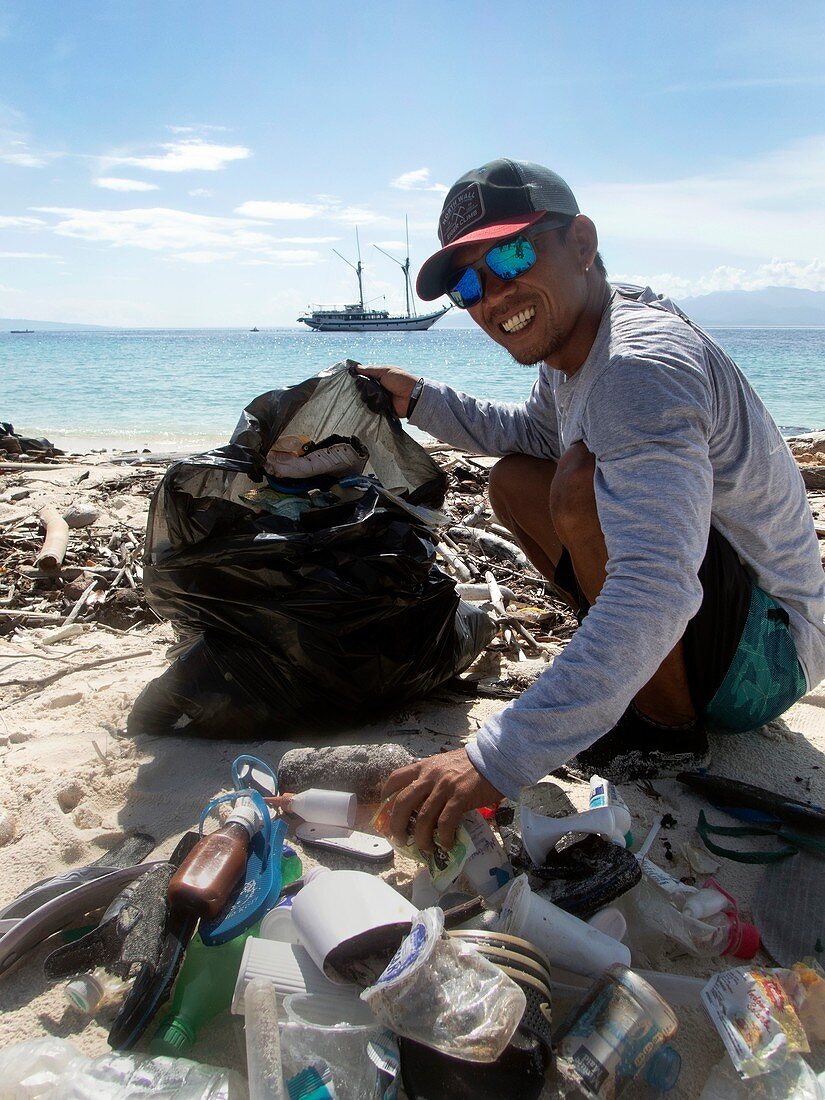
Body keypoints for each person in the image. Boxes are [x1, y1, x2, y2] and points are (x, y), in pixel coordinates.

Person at [357, 158, 825, 854]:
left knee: (576, 488)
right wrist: (418, 399)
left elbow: (656, 585)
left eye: (512, 253)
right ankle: (640, 686)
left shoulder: (637, 367)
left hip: (773, 653)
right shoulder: (576, 342)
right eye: (466, 283)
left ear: (581, 243)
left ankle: (666, 731)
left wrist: (493, 758)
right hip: (719, 617)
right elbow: (534, 436)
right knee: (519, 480)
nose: (493, 294)